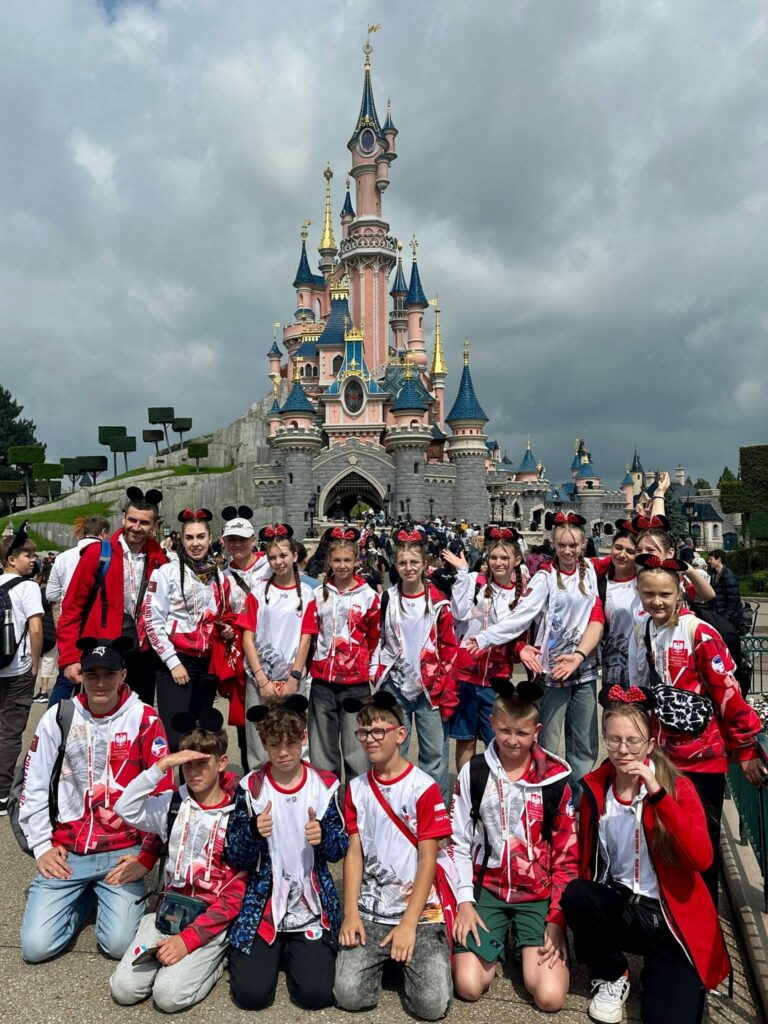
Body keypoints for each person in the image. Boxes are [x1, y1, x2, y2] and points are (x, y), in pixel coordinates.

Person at [562, 686, 731, 1024]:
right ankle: (613, 973)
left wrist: (658, 795)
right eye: (614, 740)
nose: (623, 750)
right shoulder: (596, 788)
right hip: (623, 906)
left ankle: (659, 972)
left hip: (670, 919)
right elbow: (584, 863)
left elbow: (701, 858)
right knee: (578, 895)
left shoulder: (678, 787)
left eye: (633, 741)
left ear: (650, 744)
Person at [18, 636, 172, 962]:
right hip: (68, 850)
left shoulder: (145, 719)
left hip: (123, 851)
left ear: (123, 675)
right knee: (36, 948)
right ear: (81, 676)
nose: (100, 683)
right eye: (92, 675)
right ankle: (86, 898)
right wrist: (42, 846)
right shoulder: (59, 717)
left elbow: (163, 795)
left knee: (117, 945)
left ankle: (97, 897)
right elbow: (34, 785)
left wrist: (146, 858)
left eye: (109, 674)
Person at [628, 553, 764, 902]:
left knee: (702, 845)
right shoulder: (643, 630)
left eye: (664, 594)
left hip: (702, 760)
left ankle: (706, 919)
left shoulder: (699, 632)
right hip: (662, 758)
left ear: (679, 592)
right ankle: (675, 914)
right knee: (666, 838)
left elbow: (728, 693)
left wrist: (746, 749)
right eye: (648, 594)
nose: (656, 601)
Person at [449, 679, 574, 1012]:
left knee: (549, 998)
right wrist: (464, 901)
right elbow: (457, 841)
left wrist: (557, 919)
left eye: (522, 733)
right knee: (468, 986)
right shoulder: (473, 772)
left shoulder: (555, 778)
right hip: (487, 890)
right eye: (504, 730)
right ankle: (501, 940)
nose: (512, 740)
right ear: (491, 724)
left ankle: (524, 944)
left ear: (537, 731)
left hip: (536, 895)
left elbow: (567, 856)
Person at [110, 708, 246, 1013]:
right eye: (187, 764)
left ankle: (216, 960)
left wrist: (188, 940)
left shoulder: (239, 811)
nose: (194, 772)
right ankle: (176, 959)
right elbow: (125, 807)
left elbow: (237, 890)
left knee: (168, 996)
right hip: (168, 910)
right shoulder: (172, 803)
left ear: (222, 762)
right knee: (124, 990)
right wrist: (163, 765)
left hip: (210, 918)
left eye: (202, 763)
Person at [465, 511, 604, 803]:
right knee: (548, 742)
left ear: (583, 545)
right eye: (562, 545)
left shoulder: (590, 570)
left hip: (583, 668)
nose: (568, 551)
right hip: (551, 670)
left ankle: (579, 804)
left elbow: (598, 611)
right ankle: (549, 801)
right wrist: (485, 637)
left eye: (573, 545)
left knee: (584, 744)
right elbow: (521, 617)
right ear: (553, 544)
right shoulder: (544, 577)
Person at [334, 691, 454, 1021]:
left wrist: (409, 925)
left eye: (378, 731)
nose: (369, 739)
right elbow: (354, 852)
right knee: (348, 995)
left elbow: (428, 859)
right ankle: (389, 960)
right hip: (372, 909)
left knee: (431, 1006)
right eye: (363, 732)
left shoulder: (423, 787)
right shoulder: (355, 788)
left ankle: (408, 957)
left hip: (419, 912)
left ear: (400, 734)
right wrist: (350, 913)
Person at [224, 696, 347, 1010]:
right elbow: (233, 855)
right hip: (264, 906)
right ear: (264, 743)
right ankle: (274, 952)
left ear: (303, 737)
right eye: (274, 744)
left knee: (315, 995)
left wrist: (324, 836)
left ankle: (297, 952)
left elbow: (340, 849)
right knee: (251, 996)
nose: (283, 752)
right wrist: (252, 832)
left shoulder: (324, 785)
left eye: (291, 743)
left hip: (310, 908)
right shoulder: (251, 788)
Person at [57, 487, 167, 706]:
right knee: (99, 713)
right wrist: (69, 657)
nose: (136, 527)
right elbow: (72, 608)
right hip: (103, 647)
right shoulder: (98, 554)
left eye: (144, 523)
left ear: (154, 526)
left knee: (138, 713)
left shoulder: (160, 560)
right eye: (132, 520)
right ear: (123, 518)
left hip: (144, 653)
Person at [374, 528, 459, 803]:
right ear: (395, 565)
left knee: (434, 756)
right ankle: (393, 806)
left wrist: (445, 686)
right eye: (402, 563)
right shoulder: (388, 598)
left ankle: (435, 810)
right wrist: (376, 673)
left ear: (424, 564)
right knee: (393, 750)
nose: (408, 568)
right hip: (395, 685)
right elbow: (378, 639)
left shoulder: (438, 602)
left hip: (430, 689)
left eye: (413, 562)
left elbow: (449, 649)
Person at [444, 526, 529, 771]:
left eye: (504, 557)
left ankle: (494, 785)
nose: (498, 563)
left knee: (497, 740)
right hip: (466, 674)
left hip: (497, 678)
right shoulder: (474, 582)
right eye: (493, 557)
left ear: (517, 560)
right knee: (466, 739)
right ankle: (465, 788)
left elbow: (518, 633)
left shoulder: (523, 594)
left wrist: (521, 649)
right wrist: (462, 574)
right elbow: (459, 614)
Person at [145, 508, 228, 751]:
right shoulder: (166, 573)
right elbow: (152, 621)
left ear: (210, 538)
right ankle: (170, 778)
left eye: (201, 536)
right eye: (189, 537)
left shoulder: (219, 575)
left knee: (202, 738)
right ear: (181, 539)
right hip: (177, 661)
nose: (195, 543)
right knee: (175, 738)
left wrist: (227, 629)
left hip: (207, 664)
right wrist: (173, 662)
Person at [238, 524, 318, 769]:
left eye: (283, 555)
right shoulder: (258, 592)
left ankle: (298, 785)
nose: (278, 562)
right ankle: (259, 786)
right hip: (260, 678)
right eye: (272, 557)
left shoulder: (308, 593)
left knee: (296, 735)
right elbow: (247, 638)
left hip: (293, 677)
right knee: (260, 739)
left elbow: (306, 637)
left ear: (294, 555)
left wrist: (295, 676)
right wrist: (262, 679)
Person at [309, 527, 379, 783]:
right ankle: (328, 802)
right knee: (322, 754)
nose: (342, 566)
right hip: (322, 682)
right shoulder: (318, 595)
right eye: (337, 560)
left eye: (347, 560)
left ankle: (355, 804)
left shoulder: (369, 596)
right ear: (329, 561)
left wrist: (369, 667)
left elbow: (375, 636)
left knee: (357, 752)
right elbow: (311, 635)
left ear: (356, 561)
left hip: (355, 684)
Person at [212, 505, 271, 771]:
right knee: (245, 716)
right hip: (240, 654)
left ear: (253, 540)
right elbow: (220, 611)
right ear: (224, 542)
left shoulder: (269, 567)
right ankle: (251, 774)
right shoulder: (221, 576)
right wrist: (225, 627)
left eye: (242, 539)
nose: (237, 545)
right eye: (232, 539)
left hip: (270, 651)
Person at [0, 523, 43, 816]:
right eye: (27, 555)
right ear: (11, 559)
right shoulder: (28, 587)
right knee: (10, 731)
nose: (32, 560)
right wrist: (35, 664)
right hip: (18, 668)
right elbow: (36, 629)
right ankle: (2, 792)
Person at [591, 519, 643, 688]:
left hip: (643, 660)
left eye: (630, 551)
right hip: (614, 664)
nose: (622, 554)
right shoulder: (601, 584)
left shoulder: (644, 581)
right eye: (618, 548)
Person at [707, 550, 742, 625]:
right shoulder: (714, 574)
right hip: (718, 615)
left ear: (719, 560)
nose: (708, 561)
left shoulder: (728, 576)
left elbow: (734, 601)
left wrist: (724, 618)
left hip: (727, 618)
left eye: (711, 559)